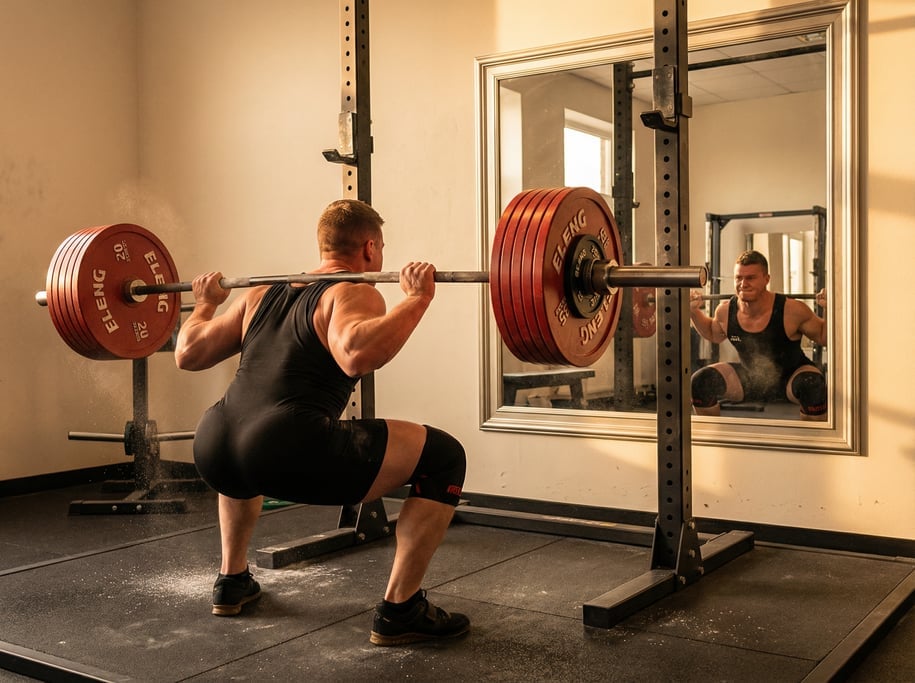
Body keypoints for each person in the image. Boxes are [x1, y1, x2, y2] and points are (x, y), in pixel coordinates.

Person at [174, 198, 470, 646]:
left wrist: (204, 304)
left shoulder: (261, 292)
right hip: (288, 446)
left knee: (248, 448)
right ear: (370, 248)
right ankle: (401, 609)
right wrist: (418, 298)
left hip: (215, 444)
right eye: (382, 248)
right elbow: (355, 354)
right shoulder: (352, 289)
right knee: (444, 456)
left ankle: (232, 580)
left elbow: (188, 352)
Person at [688, 249, 827, 421]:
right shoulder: (725, 311)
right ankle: (711, 440)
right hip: (749, 378)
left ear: (766, 279)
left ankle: (814, 444)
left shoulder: (792, 310)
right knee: (701, 381)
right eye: (739, 278)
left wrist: (830, 308)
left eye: (751, 278)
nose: (743, 284)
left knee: (812, 384)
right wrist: (693, 312)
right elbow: (712, 333)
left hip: (791, 377)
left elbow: (822, 336)